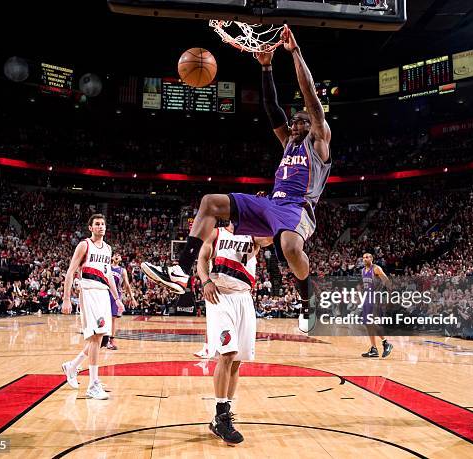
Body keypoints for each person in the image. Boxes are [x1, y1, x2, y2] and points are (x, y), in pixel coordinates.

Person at [142, 26, 331, 334]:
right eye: (293, 121)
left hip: (298, 209)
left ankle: (309, 300)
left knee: (289, 246)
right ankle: (180, 269)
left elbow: (309, 93)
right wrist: (267, 66)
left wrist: (294, 52)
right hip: (272, 205)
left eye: (300, 121)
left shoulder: (319, 141)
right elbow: (272, 109)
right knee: (210, 203)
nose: (293, 124)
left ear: (311, 125)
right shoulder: (288, 143)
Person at [197, 221, 271, 445]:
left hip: (244, 297)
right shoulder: (216, 233)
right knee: (227, 354)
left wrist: (266, 211)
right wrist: (205, 280)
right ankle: (221, 414)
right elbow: (201, 259)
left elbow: (272, 236)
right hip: (220, 296)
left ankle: (223, 415)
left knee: (237, 360)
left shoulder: (253, 236)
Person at [60, 214, 124, 400]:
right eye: (97, 224)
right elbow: (71, 271)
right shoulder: (84, 245)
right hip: (88, 292)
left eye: (103, 224)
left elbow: (109, 275)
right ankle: (93, 384)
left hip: (103, 293)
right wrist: (66, 298)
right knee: (95, 338)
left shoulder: (108, 249)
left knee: (100, 338)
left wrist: (117, 298)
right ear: (90, 227)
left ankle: (72, 366)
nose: (101, 227)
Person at [359, 253, 393, 358]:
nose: (365, 259)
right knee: (367, 323)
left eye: (367, 257)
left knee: (371, 322)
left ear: (372, 259)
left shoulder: (376, 269)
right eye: (363, 257)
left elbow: (387, 282)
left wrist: (389, 298)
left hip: (374, 298)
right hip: (366, 298)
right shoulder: (363, 271)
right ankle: (374, 348)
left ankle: (386, 342)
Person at [106, 253, 138, 350]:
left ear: (120, 259)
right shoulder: (107, 267)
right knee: (104, 317)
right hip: (105, 293)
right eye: (115, 254)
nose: (117, 256)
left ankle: (111, 341)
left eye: (119, 255)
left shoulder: (122, 270)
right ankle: (102, 339)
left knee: (112, 319)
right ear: (111, 257)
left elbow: (127, 285)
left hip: (116, 296)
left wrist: (132, 298)